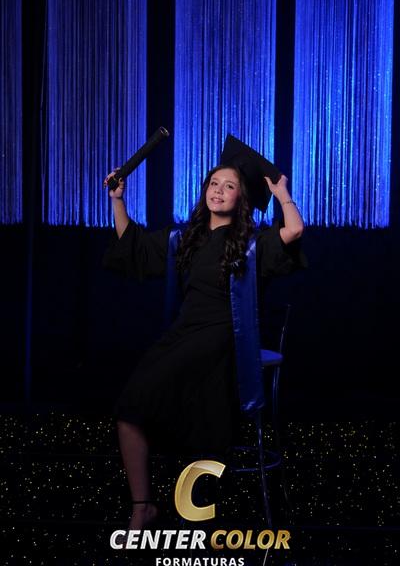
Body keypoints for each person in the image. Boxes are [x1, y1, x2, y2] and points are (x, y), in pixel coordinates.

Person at [102, 135, 306, 531]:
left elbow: (294, 231)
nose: (219, 190)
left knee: (199, 412)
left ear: (241, 198)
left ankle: (199, 504)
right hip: (184, 334)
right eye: (215, 183)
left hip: (225, 337)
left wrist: (282, 193)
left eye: (229, 186)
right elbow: (134, 246)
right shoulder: (186, 239)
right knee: (129, 408)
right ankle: (143, 506)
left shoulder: (251, 244)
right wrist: (117, 200)